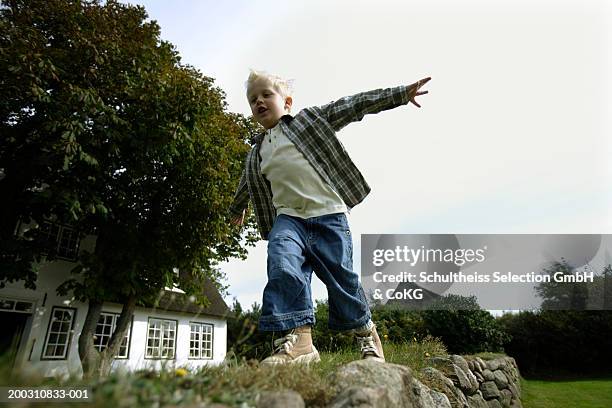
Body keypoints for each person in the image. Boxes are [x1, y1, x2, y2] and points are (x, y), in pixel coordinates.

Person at [228, 69, 430, 364]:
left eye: (266, 95)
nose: (259, 101)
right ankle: (300, 342)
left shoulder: (309, 121)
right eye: (252, 99)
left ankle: (366, 335)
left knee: (342, 280)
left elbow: (352, 105)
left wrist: (399, 95)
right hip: (288, 220)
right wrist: (237, 208)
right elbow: (247, 182)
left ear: (287, 102)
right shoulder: (256, 152)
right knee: (282, 264)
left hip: (329, 215)